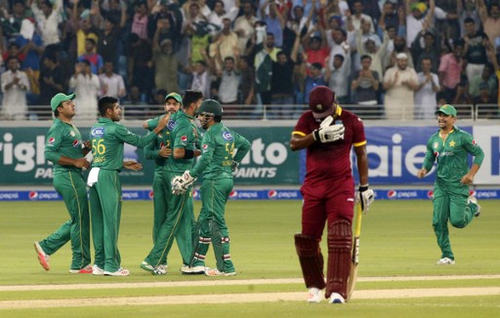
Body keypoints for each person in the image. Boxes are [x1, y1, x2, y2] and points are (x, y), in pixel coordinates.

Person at [289, 85, 373, 304]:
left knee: (340, 235)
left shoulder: (352, 120)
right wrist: (316, 136)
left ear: (334, 101)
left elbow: (361, 154)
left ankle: (337, 291)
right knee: (307, 239)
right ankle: (315, 286)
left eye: (323, 112)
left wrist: (364, 187)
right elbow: (294, 144)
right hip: (313, 186)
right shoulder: (307, 119)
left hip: (341, 186)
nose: (319, 117)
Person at [87, 96, 168, 276]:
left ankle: (99, 263)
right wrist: (159, 128)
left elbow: (102, 153)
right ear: (108, 111)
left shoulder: (95, 128)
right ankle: (111, 265)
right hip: (108, 176)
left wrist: (122, 163)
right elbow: (141, 143)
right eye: (116, 108)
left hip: (94, 174)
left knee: (99, 222)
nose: (120, 110)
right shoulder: (116, 128)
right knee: (111, 222)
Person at [173, 99, 250, 276]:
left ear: (210, 117)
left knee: (216, 221)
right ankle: (196, 262)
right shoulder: (227, 132)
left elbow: (206, 159)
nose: (199, 118)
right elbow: (245, 144)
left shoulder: (210, 134)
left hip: (214, 181)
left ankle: (226, 266)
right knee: (204, 221)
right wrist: (234, 162)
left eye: (201, 115)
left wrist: (189, 176)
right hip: (225, 179)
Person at [142, 90, 203, 275]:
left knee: (184, 218)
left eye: (174, 104)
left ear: (180, 106)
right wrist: (158, 135)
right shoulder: (168, 121)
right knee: (167, 219)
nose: (170, 106)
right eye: (168, 103)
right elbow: (146, 137)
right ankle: (160, 261)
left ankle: (188, 260)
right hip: (169, 174)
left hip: (176, 174)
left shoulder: (182, 121)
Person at [417, 104, 484, 265]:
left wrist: (470, 175)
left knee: (457, 222)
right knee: (438, 222)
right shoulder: (433, 139)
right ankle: (447, 256)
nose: (441, 118)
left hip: (458, 185)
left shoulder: (463, 137)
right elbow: (429, 157)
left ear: (454, 119)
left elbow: (479, 153)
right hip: (441, 185)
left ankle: (473, 206)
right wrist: (424, 169)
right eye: (439, 115)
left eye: (445, 115)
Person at [34, 93, 92, 274]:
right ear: (59, 109)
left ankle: (46, 247)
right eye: (68, 103)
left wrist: (85, 150)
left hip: (73, 176)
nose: (72, 105)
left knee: (79, 218)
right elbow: (49, 153)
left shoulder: (71, 127)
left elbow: (76, 153)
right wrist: (75, 162)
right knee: (80, 218)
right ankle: (79, 264)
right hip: (67, 175)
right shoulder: (58, 127)